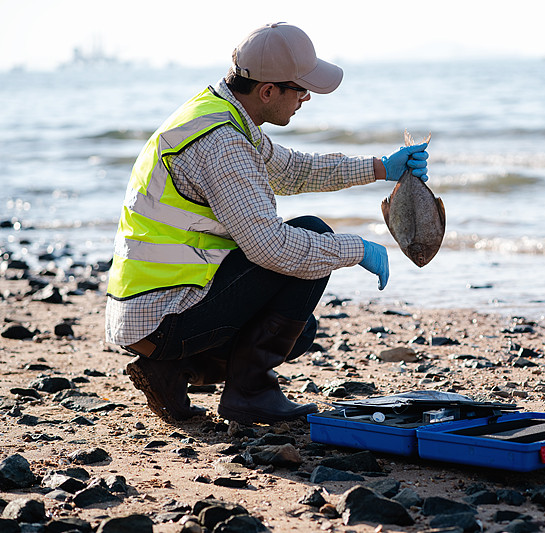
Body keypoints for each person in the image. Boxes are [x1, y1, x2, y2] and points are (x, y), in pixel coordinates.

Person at [104, 22, 428, 425]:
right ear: (268, 91)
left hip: (150, 311)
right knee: (313, 238)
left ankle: (169, 370)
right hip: (162, 318)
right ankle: (250, 394)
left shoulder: (217, 113)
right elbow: (271, 248)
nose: (307, 98)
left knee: (300, 329)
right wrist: (356, 249)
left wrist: (381, 167)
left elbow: (292, 171)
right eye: (301, 89)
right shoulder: (223, 143)